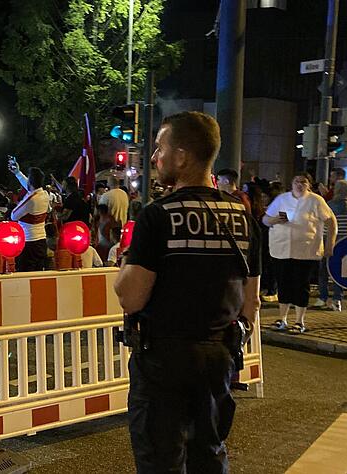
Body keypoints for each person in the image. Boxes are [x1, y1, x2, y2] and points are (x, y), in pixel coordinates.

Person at [114, 112, 261, 473]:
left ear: (181, 157)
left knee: (161, 460)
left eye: (160, 148)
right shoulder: (243, 218)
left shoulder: (157, 216)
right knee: (209, 454)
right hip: (218, 359)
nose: (154, 158)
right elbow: (250, 302)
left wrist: (124, 267)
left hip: (163, 360)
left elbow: (131, 297)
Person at [264, 173, 337, 333]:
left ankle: (299, 321)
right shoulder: (282, 199)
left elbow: (331, 221)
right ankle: (282, 318)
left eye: (303, 182)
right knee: (284, 285)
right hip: (282, 250)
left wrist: (330, 244)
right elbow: (265, 219)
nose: (299, 184)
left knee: (301, 285)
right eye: (296, 181)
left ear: (309, 185)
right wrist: (276, 220)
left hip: (306, 252)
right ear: (291, 183)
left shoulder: (315, 200)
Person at [313, 180, 347, 311]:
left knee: (324, 270)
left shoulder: (332, 204)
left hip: (331, 240)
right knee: (340, 271)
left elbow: (326, 223)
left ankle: (323, 297)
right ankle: (337, 299)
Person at [8, 160, 50, 271]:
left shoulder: (32, 199)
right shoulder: (44, 194)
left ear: (30, 182)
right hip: (41, 240)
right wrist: (17, 173)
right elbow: (29, 186)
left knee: (26, 273)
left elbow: (13, 215)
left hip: (29, 243)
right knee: (38, 273)